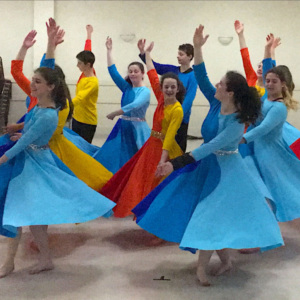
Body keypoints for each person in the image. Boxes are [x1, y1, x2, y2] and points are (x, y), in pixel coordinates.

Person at [133, 25, 284, 286]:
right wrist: (198, 48)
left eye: (222, 84)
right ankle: (225, 261)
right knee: (207, 214)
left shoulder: (237, 121)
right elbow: (201, 76)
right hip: (208, 167)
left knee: (208, 216)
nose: (216, 84)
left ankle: (201, 268)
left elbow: (211, 145)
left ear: (231, 92)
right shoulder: (216, 103)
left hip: (227, 172)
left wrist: (175, 164)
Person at [0, 20, 115, 278]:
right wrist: (17, 127)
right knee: (26, 215)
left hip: (34, 160)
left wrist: (8, 152)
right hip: (29, 156)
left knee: (20, 212)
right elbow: (30, 122)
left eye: (38, 81)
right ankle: (32, 259)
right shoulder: (38, 104)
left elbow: (31, 134)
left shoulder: (53, 111)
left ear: (51, 85)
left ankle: (12, 262)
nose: (33, 84)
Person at [100, 41, 184, 218]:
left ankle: (156, 215)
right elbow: (154, 76)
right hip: (151, 144)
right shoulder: (160, 99)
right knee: (138, 177)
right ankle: (139, 210)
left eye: (173, 87)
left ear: (178, 89)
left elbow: (169, 136)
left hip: (163, 148)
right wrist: (146, 55)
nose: (169, 90)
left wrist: (163, 158)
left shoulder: (177, 109)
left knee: (158, 181)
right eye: (166, 87)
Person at [241, 34, 300, 223]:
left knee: (279, 188)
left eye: (274, 81)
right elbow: (268, 69)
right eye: (267, 81)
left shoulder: (279, 108)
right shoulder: (267, 98)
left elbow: (262, 129)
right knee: (269, 188)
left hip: (271, 154)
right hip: (261, 150)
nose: (269, 84)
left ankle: (268, 225)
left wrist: (242, 139)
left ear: (283, 84)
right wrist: (268, 49)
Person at [92, 37, 151, 173]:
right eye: (130, 71)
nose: (132, 74)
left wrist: (115, 113)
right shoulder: (126, 88)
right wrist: (109, 51)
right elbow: (113, 72)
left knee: (137, 158)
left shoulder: (145, 91)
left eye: (136, 71)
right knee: (115, 156)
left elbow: (135, 105)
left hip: (137, 128)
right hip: (123, 127)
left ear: (143, 73)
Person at [138, 39, 197, 152]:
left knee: (177, 148)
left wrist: (178, 115)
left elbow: (189, 98)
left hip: (180, 117)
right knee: (163, 145)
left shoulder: (193, 76)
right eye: (178, 54)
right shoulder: (173, 70)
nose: (178, 56)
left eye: (181, 54)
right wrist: (144, 54)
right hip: (166, 115)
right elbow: (155, 67)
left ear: (189, 56)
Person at [72, 25, 99, 143]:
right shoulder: (83, 75)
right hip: (76, 118)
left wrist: (62, 105)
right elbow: (87, 51)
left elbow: (80, 98)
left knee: (84, 150)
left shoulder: (93, 81)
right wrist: (89, 35)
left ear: (88, 65)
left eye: (79, 63)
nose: (77, 65)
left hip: (87, 121)